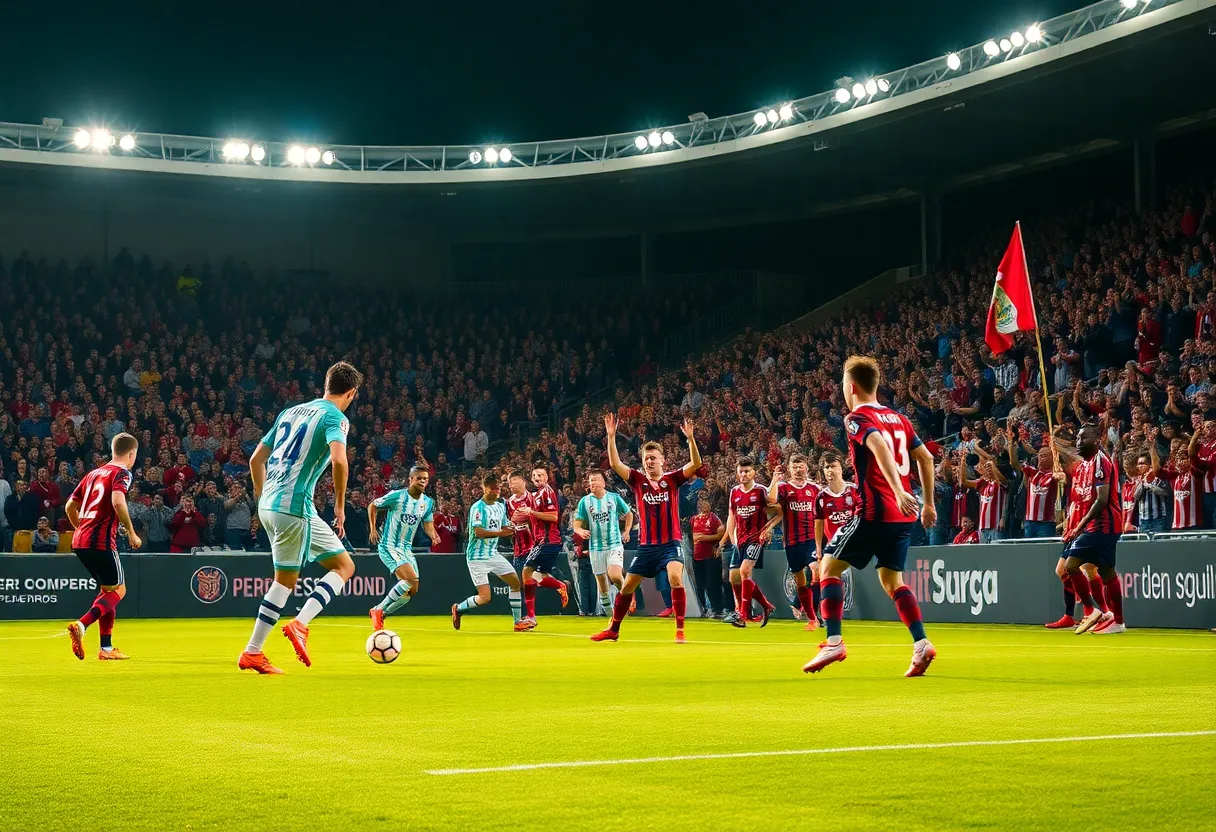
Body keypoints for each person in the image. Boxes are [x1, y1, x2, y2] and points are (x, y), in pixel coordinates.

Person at [803, 356, 938, 677]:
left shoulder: (856, 418)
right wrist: (928, 503)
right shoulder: (900, 418)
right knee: (892, 580)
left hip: (876, 510)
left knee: (828, 566)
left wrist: (896, 489)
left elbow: (877, 445)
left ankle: (833, 641)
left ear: (850, 387)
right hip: (904, 518)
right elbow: (927, 458)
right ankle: (921, 644)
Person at [238, 361, 363, 675]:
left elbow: (256, 460)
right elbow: (339, 460)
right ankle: (256, 650)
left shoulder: (290, 412)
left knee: (345, 565)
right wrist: (339, 505)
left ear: (325, 383)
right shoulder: (336, 417)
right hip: (293, 507)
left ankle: (299, 625)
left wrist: (262, 496)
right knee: (284, 583)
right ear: (351, 393)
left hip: (273, 503)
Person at [593, 413, 701, 644]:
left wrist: (691, 440)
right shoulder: (637, 480)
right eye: (646, 458)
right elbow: (614, 464)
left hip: (670, 543)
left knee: (675, 577)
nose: (649, 462)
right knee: (627, 586)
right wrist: (611, 436)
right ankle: (613, 629)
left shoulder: (672, 479)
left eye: (653, 458)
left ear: (663, 460)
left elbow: (696, 464)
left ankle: (680, 630)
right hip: (647, 546)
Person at [63, 433, 143, 661]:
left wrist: (82, 527)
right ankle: (82, 624)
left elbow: (70, 506)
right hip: (100, 541)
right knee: (119, 590)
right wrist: (131, 531)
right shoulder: (122, 473)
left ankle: (106, 649)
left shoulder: (93, 474)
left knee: (107, 591)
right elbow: (118, 501)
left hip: (80, 541)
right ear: (131, 453)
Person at [1059, 424, 1126, 635]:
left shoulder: (1100, 462)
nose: (1078, 442)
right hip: (1099, 525)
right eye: (1077, 438)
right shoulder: (1087, 463)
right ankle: (1117, 621)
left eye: (1083, 438)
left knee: (1071, 565)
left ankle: (1092, 609)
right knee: (1106, 572)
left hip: (1103, 524)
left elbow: (1101, 500)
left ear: (1096, 440)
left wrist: (1078, 527)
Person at [368, 465, 440, 631]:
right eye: (419, 478)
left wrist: (433, 535)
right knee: (410, 579)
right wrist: (373, 529)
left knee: (411, 591)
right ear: (410, 480)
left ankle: (382, 613)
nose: (422, 481)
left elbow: (427, 523)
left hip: (406, 549)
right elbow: (373, 505)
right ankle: (378, 609)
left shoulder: (428, 502)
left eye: (425, 479)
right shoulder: (398, 496)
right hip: (389, 546)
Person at [450, 474, 524, 629]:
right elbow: (478, 532)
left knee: (516, 584)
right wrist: (500, 533)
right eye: (493, 488)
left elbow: (503, 526)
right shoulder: (477, 507)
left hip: (493, 554)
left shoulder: (499, 506)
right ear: (484, 488)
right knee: (485, 597)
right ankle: (459, 608)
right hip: (477, 557)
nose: (497, 491)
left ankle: (518, 622)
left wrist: (512, 529)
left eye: (498, 488)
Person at [719, 456, 779, 628]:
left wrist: (768, 528)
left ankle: (743, 615)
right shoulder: (734, 492)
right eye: (741, 472)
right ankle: (766, 606)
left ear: (754, 473)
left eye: (747, 471)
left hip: (756, 538)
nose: (744, 474)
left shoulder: (761, 491)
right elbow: (732, 516)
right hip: (740, 539)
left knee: (745, 571)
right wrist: (732, 537)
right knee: (734, 578)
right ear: (737, 474)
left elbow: (777, 509)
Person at [511, 466, 570, 631]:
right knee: (540, 575)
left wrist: (531, 512)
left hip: (547, 540)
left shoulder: (547, 491)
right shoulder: (537, 494)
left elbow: (553, 516)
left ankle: (531, 616)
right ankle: (560, 585)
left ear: (547, 477)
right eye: (534, 474)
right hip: (544, 541)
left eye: (541, 474)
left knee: (526, 572)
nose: (537, 477)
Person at [768, 453, 820, 630]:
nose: (798, 470)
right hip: (792, 542)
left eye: (801, 466)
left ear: (807, 467)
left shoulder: (814, 489)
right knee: (800, 581)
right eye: (794, 467)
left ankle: (815, 614)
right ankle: (811, 617)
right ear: (789, 469)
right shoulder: (783, 487)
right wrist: (774, 479)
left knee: (816, 571)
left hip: (812, 539)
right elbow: (771, 500)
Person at [572, 469, 633, 616]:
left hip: (614, 543)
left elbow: (629, 514)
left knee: (615, 575)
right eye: (591, 480)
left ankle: (629, 596)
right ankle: (611, 616)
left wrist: (626, 531)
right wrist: (580, 531)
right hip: (596, 548)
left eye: (597, 479)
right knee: (602, 585)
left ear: (604, 482)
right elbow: (577, 524)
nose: (593, 482)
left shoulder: (614, 498)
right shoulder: (585, 502)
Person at [812, 450, 858, 617]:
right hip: (833, 546)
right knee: (824, 575)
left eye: (833, 466)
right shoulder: (821, 497)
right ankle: (824, 614)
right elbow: (818, 524)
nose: (829, 470)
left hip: (854, 543)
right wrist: (818, 548)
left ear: (841, 468)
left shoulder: (854, 491)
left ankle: (835, 611)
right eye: (826, 467)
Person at [689, 496, 726, 618]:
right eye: (700, 503)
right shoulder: (693, 519)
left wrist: (705, 538)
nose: (703, 505)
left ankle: (718, 609)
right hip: (697, 557)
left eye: (705, 503)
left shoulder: (714, 519)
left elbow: (721, 534)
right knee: (699, 585)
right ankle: (702, 609)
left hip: (711, 556)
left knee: (713, 584)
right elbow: (690, 536)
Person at [959, 457, 1008, 544]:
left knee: (998, 554)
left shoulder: (1000, 484)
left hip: (996, 527)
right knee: (984, 555)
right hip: (982, 528)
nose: (988, 468)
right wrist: (963, 463)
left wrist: (992, 464)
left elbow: (1002, 480)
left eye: (990, 467)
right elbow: (963, 482)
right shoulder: (983, 483)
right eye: (986, 467)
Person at [504, 471, 535, 575]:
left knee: (536, 580)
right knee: (521, 582)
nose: (510, 486)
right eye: (510, 483)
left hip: (534, 547)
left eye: (513, 482)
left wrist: (528, 517)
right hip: (519, 549)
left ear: (523, 482)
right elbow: (510, 522)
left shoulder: (533, 498)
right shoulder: (509, 503)